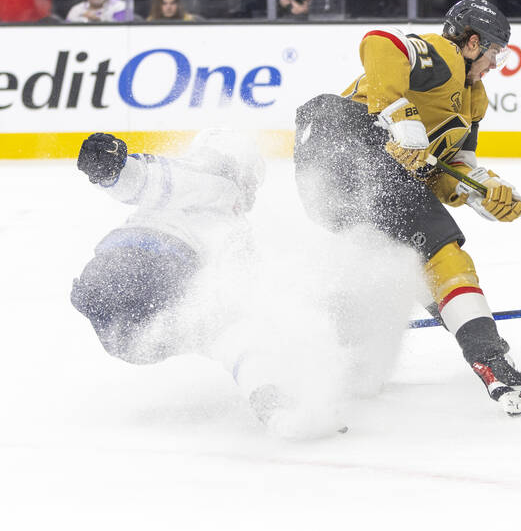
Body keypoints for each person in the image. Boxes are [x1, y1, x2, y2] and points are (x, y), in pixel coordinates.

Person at [291, 0, 521, 417]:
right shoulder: (444, 57)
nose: (493, 64)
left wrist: (483, 190)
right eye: (493, 54)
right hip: (344, 140)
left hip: (339, 174)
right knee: (441, 248)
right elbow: (380, 43)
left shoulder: (474, 101)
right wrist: (401, 114)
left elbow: (449, 169)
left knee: (401, 260)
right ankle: (493, 363)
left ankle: (336, 361)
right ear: (472, 43)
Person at [69, 130, 352, 439]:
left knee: (225, 328)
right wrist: (116, 172)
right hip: (146, 269)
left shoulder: (229, 223)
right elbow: (156, 181)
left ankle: (275, 405)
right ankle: (273, 407)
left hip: (117, 310)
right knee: (236, 332)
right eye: (251, 178)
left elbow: (243, 289)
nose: (251, 191)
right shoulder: (213, 179)